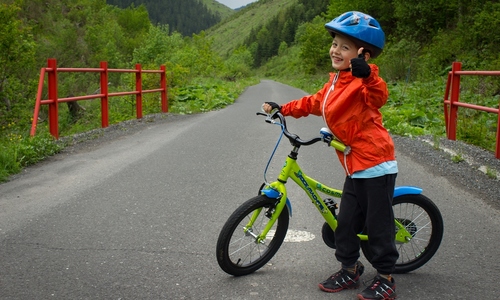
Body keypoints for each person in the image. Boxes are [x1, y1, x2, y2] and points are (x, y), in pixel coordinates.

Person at [262, 11, 398, 300]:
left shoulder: (364, 83)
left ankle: (386, 279)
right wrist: (282, 108)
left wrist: (368, 75)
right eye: (335, 43)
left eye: (344, 47)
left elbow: (379, 96)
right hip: (354, 164)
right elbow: (314, 102)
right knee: (345, 223)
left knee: (378, 227)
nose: (335, 49)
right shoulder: (336, 81)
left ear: (363, 54)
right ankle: (350, 270)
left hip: (375, 164)